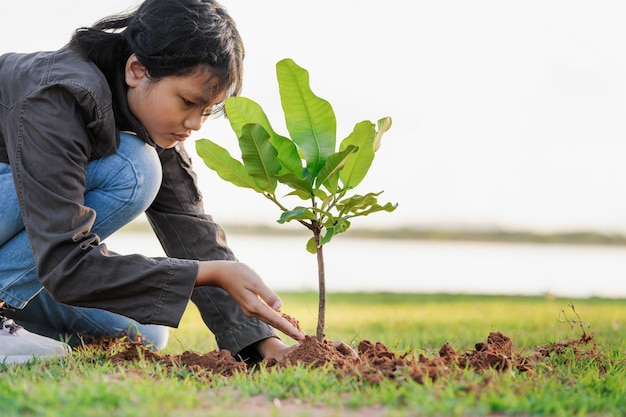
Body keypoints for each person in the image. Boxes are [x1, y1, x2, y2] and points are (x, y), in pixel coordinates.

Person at [0, 0, 307, 365]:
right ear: (136, 69)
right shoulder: (58, 96)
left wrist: (264, 347)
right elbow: (66, 262)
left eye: (206, 111)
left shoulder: (146, 120)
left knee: (142, 331)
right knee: (134, 169)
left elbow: (192, 232)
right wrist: (206, 274)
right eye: (188, 102)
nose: (195, 124)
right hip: (57, 251)